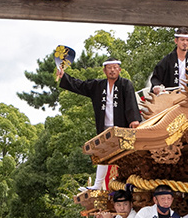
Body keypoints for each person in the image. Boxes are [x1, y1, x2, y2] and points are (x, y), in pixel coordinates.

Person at [56, 56, 141, 189]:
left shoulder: (126, 84)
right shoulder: (98, 85)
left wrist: (133, 119)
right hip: (104, 127)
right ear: (104, 71)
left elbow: (131, 102)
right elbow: (81, 85)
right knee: (102, 153)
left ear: (119, 69)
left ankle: (132, 182)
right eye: (109, 68)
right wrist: (64, 76)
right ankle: (97, 185)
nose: (112, 70)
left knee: (126, 155)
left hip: (122, 126)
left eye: (115, 67)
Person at [149, 27, 188, 93]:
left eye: (187, 40)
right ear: (176, 41)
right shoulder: (167, 60)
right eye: (182, 40)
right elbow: (156, 78)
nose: (185, 43)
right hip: (172, 95)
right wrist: (157, 87)